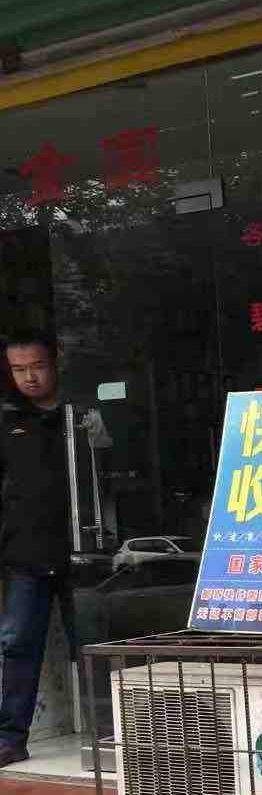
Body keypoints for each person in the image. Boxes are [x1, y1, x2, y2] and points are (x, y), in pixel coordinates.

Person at [0, 329, 78, 769]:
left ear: (56, 362)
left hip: (83, 554)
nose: (29, 377)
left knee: (92, 646)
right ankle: (11, 738)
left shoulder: (79, 414)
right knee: (17, 645)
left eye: (37, 366)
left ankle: (114, 736)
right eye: (19, 369)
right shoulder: (9, 420)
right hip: (26, 554)